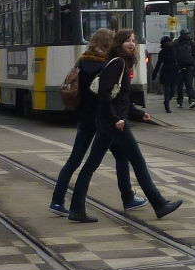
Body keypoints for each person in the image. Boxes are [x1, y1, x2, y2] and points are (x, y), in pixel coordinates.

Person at [65, 29, 182, 223]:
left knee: (91, 165)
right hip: (114, 123)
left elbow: (120, 98)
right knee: (138, 162)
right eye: (128, 40)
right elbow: (104, 94)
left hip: (109, 121)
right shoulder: (117, 63)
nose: (132, 44)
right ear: (118, 43)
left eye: (134, 41)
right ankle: (159, 204)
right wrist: (115, 119)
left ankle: (76, 209)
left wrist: (138, 113)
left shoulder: (121, 62)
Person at [49, 30, 142, 216]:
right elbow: (110, 95)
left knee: (74, 160)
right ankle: (128, 198)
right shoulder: (109, 65)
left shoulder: (82, 61)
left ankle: (57, 200)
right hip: (104, 120)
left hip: (85, 118)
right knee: (121, 157)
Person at [153, 34, 180, 112]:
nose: (171, 42)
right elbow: (159, 63)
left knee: (173, 89)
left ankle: (167, 100)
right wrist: (154, 73)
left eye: (170, 41)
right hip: (166, 71)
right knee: (167, 89)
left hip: (174, 71)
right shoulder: (162, 52)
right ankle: (167, 105)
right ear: (165, 43)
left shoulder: (174, 49)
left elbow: (178, 60)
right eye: (169, 41)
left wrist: (179, 68)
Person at [174, 30, 195, 108]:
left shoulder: (191, 43)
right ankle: (180, 100)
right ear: (183, 35)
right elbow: (174, 55)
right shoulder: (177, 43)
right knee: (180, 85)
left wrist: (194, 64)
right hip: (180, 67)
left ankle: (192, 100)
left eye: (188, 33)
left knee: (189, 84)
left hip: (189, 66)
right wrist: (176, 66)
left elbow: (194, 54)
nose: (188, 35)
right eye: (187, 34)